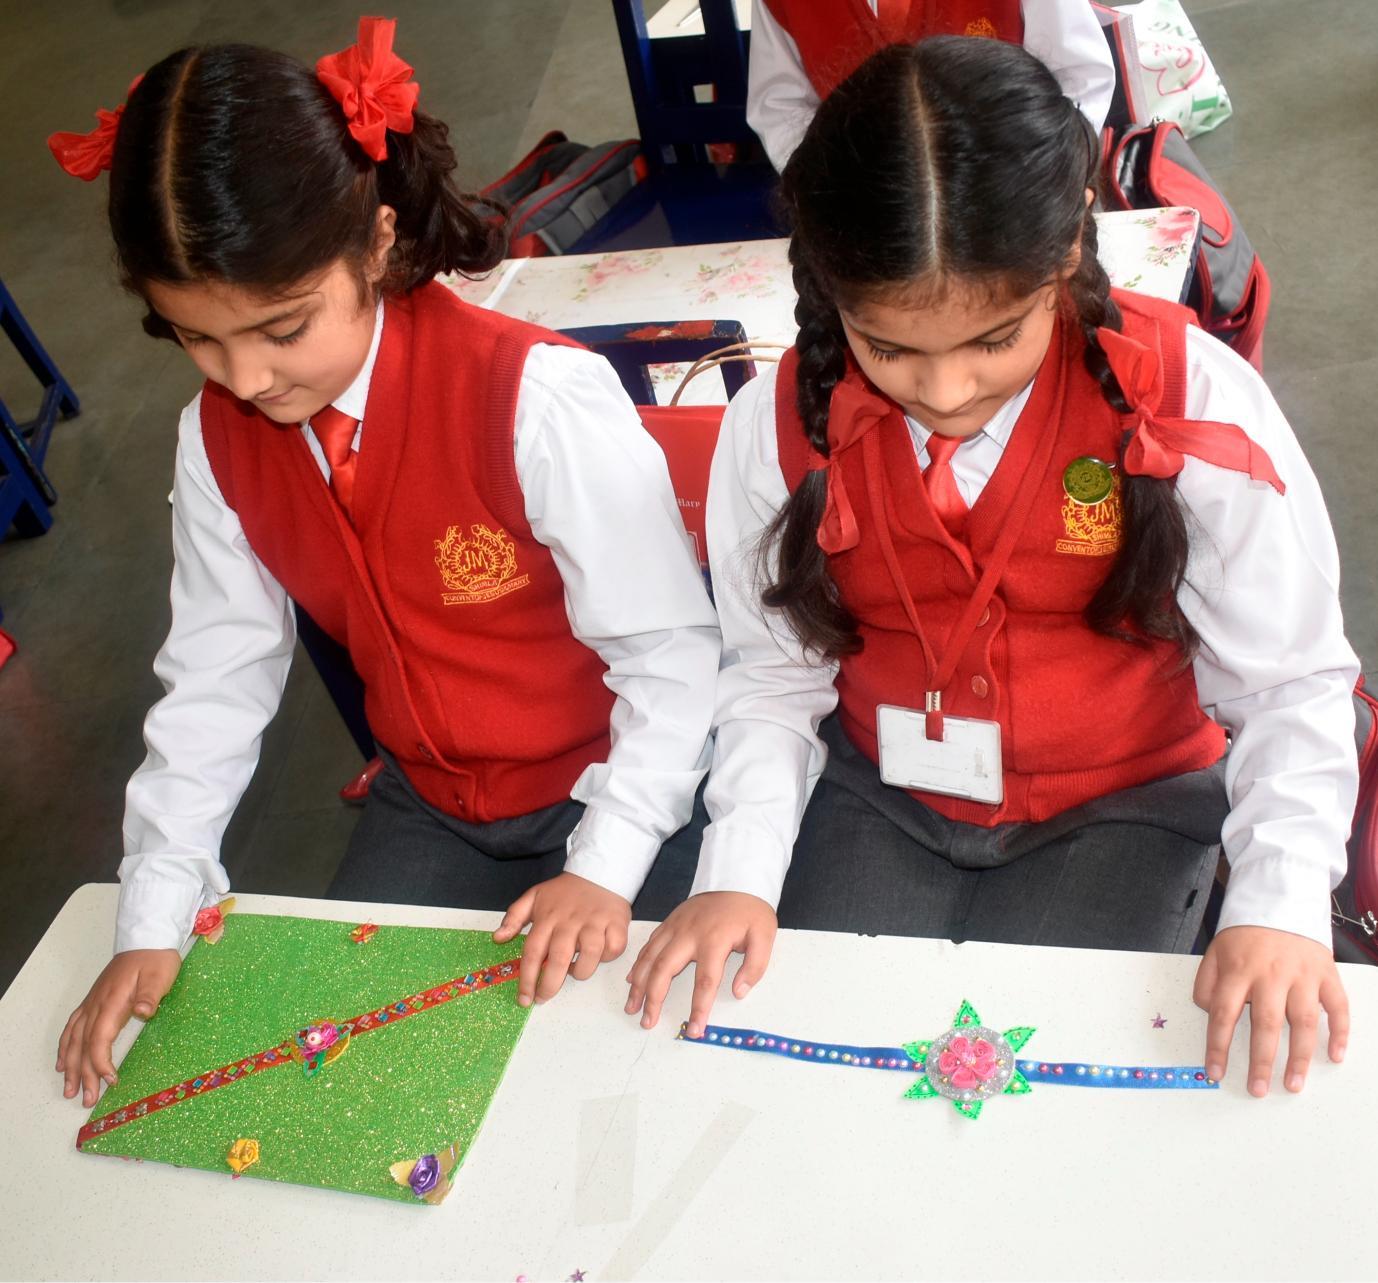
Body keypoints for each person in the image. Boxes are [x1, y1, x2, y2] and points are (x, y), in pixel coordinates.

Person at [627, 37, 1357, 1100]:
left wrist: (1278, 904)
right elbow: (772, 674)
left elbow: (1290, 681)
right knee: (826, 1079)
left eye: (993, 339)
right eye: (887, 347)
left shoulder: (1183, 396)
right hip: (881, 793)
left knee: (1043, 1097)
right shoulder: (775, 425)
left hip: (1127, 798)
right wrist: (736, 871)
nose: (944, 389)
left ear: (1067, 250)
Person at [50, 18, 720, 1108]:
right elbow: (214, 681)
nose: (247, 378)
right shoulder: (213, 440)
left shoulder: (532, 398)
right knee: (354, 1086)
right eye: (197, 338)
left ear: (375, 242)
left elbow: (671, 658)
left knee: (629, 1075)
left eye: (282, 328)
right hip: (433, 803)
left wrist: (602, 864)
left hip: (627, 782)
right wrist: (153, 913)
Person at [747, 0, 1116, 171]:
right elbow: (781, 107)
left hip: (1011, 194)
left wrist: (1034, 175)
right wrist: (833, 188)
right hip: (870, 219)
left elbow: (1079, 79)